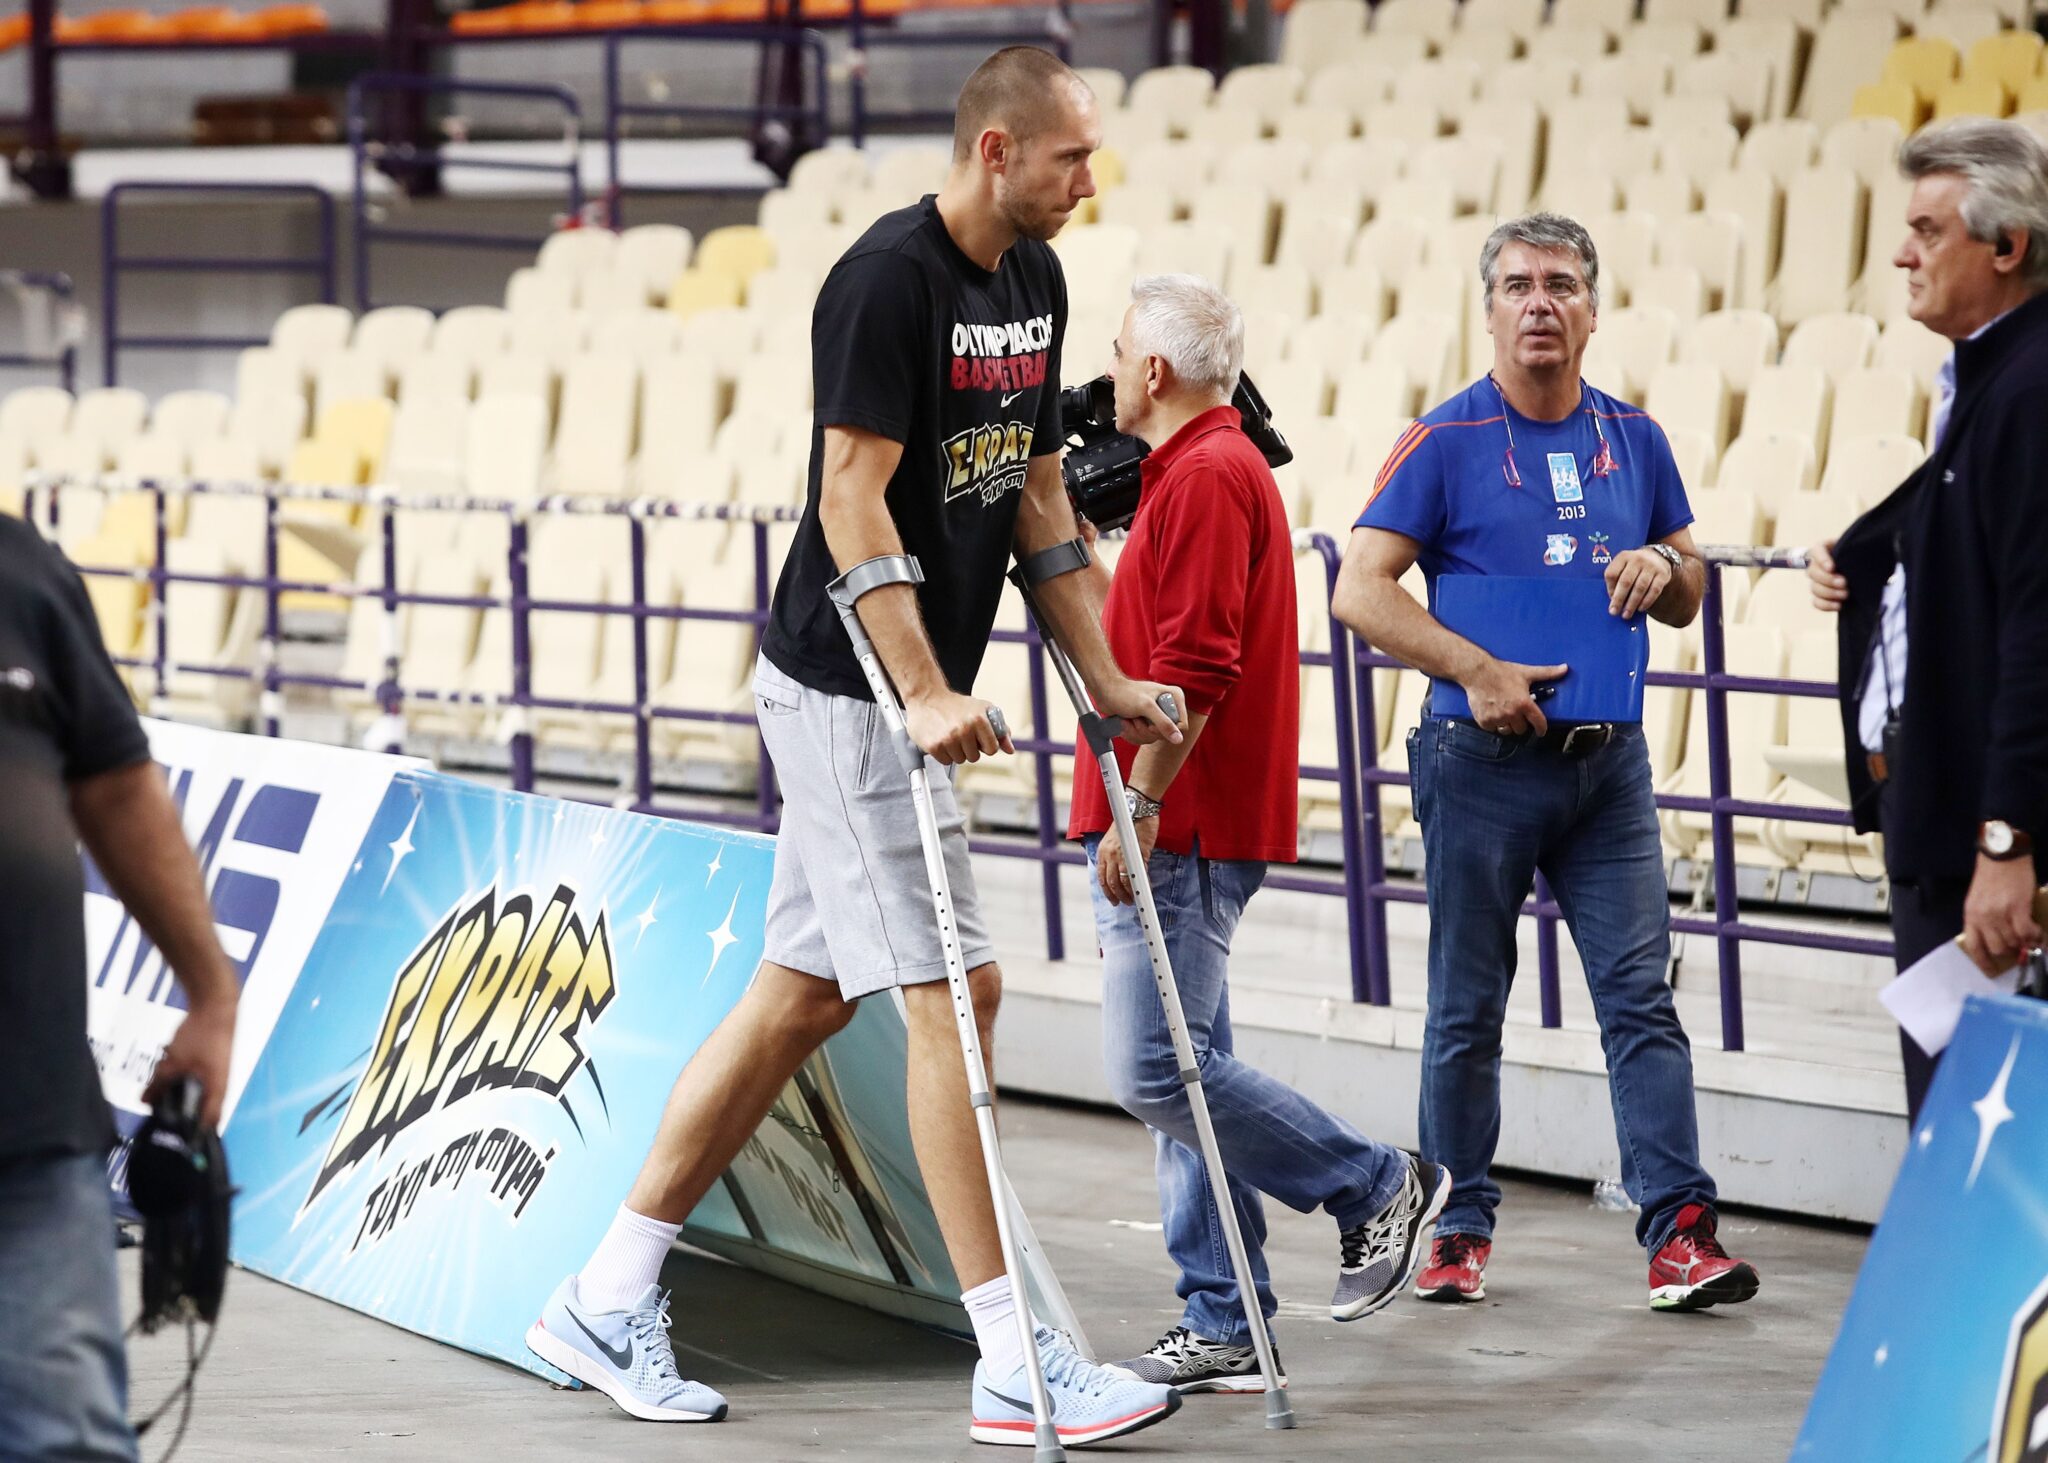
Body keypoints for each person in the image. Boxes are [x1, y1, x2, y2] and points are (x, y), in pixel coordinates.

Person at [526, 47, 1190, 1448]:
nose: (1089, 180)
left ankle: (604, 1291)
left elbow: (1036, 492)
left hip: (887, 692)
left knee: (802, 997)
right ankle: (1013, 1364)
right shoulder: (886, 281)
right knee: (960, 991)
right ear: (996, 150)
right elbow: (849, 496)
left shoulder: (1035, 279)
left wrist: (1106, 673)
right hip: (850, 693)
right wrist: (924, 688)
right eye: (1070, 156)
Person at [1331, 213, 1761, 1314]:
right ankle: (1455, 1225)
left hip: (1607, 767)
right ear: (1488, 309)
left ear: (1592, 310)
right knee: (1466, 1008)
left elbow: (1691, 585)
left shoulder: (1637, 436)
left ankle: (1680, 1235)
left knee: (1640, 999)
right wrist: (1473, 668)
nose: (1539, 302)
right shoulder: (1443, 439)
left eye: (1561, 284)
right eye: (1517, 284)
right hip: (1478, 762)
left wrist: (1661, 562)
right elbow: (1358, 589)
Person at [1069, 273, 1448, 1394]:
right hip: (1184, 810)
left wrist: (1139, 803)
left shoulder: (1204, 476)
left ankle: (1373, 1181)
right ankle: (1225, 1312)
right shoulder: (1200, 472)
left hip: (1180, 815)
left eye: (1118, 350)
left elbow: (1192, 669)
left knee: (1156, 1068)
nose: (1108, 369)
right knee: (1192, 1080)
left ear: (1152, 370)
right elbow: (1151, 632)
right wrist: (1077, 555)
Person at [1805, 119, 2048, 1126]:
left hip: (1982, 845)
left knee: (1978, 1150)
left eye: (1927, 230)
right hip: (1946, 822)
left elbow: (2038, 631)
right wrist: (1868, 554)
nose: (1903, 254)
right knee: (1968, 1138)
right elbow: (1958, 514)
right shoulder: (1990, 379)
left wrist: (2006, 839)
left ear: (2007, 246)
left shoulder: (2031, 387)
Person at [0, 513, 240, 1461]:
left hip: (28, 1128)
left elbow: (118, 788)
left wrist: (210, 992)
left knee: (66, 1440)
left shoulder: (20, 571)